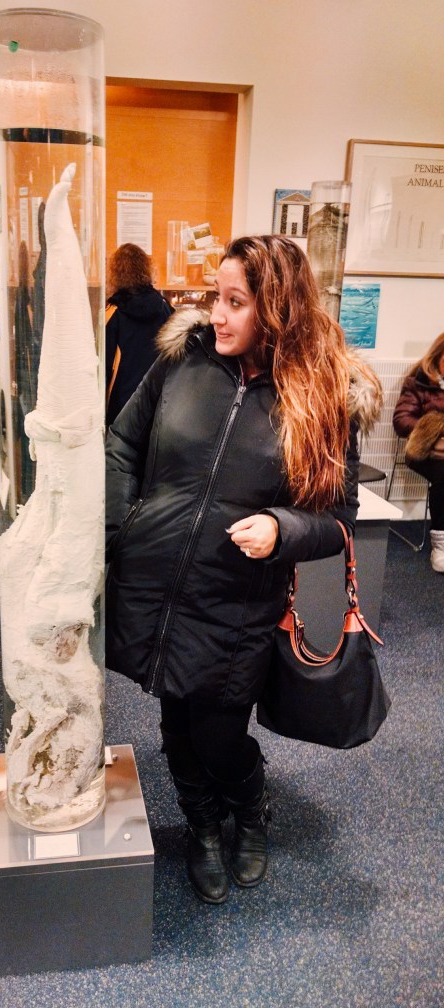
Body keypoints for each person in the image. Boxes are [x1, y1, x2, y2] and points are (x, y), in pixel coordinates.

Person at [105, 235, 382, 905]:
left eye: (235, 302)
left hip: (237, 597)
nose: (215, 315)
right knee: (175, 724)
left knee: (221, 730)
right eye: (214, 297)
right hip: (156, 581)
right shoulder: (181, 361)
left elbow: (339, 516)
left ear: (278, 308)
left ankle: (248, 810)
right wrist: (121, 531)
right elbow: (121, 444)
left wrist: (283, 528)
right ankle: (202, 829)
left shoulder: (320, 396)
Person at [105, 243, 173, 427]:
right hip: (159, 406)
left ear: (114, 274)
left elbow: (101, 370)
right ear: (146, 269)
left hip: (121, 411)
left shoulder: (113, 314)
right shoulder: (164, 307)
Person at [393, 332, 444, 572]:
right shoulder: (419, 381)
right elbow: (401, 421)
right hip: (424, 451)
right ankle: (441, 545)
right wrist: (434, 428)